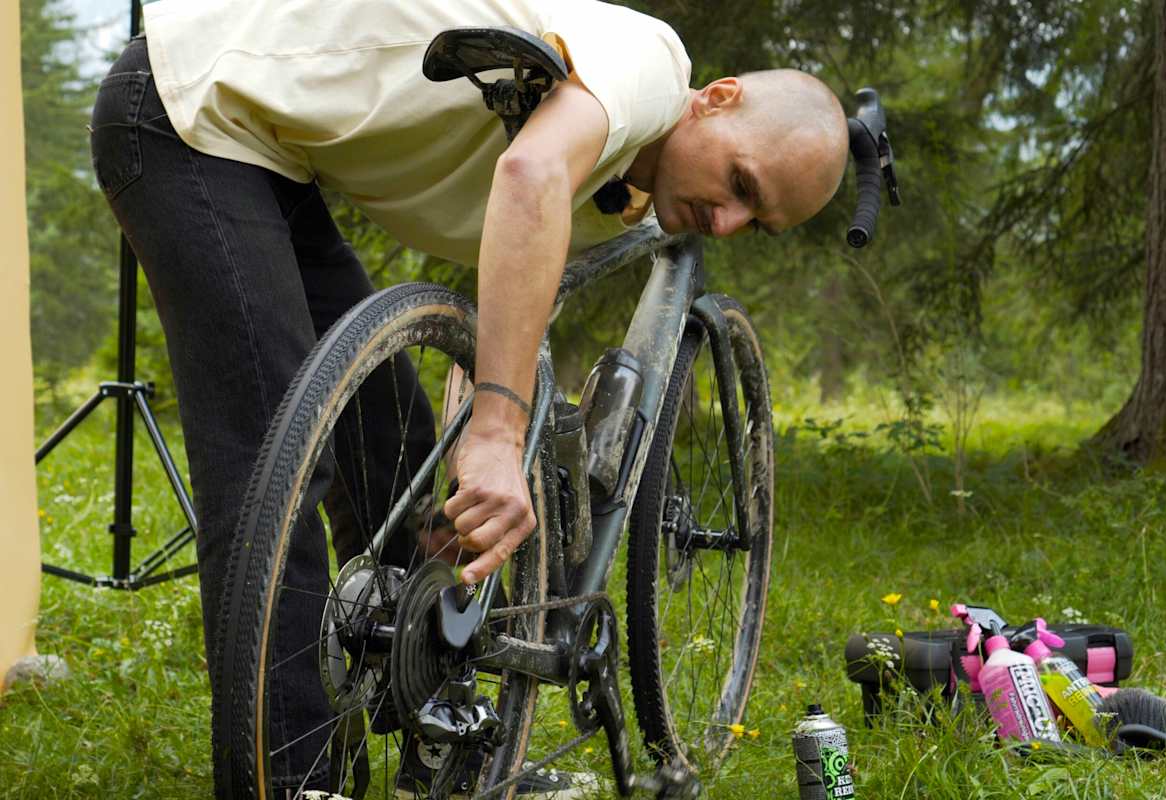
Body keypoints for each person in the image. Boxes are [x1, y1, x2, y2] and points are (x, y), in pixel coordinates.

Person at [90, 0, 848, 794]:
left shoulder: (625, 170)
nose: (726, 222)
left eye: (755, 221)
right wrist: (494, 429)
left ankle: (450, 752)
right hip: (183, 115)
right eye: (739, 181)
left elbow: (526, 243)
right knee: (271, 468)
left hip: (270, 158)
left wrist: (494, 401)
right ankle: (294, 779)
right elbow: (530, 172)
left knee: (401, 472)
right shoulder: (650, 64)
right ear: (717, 98)